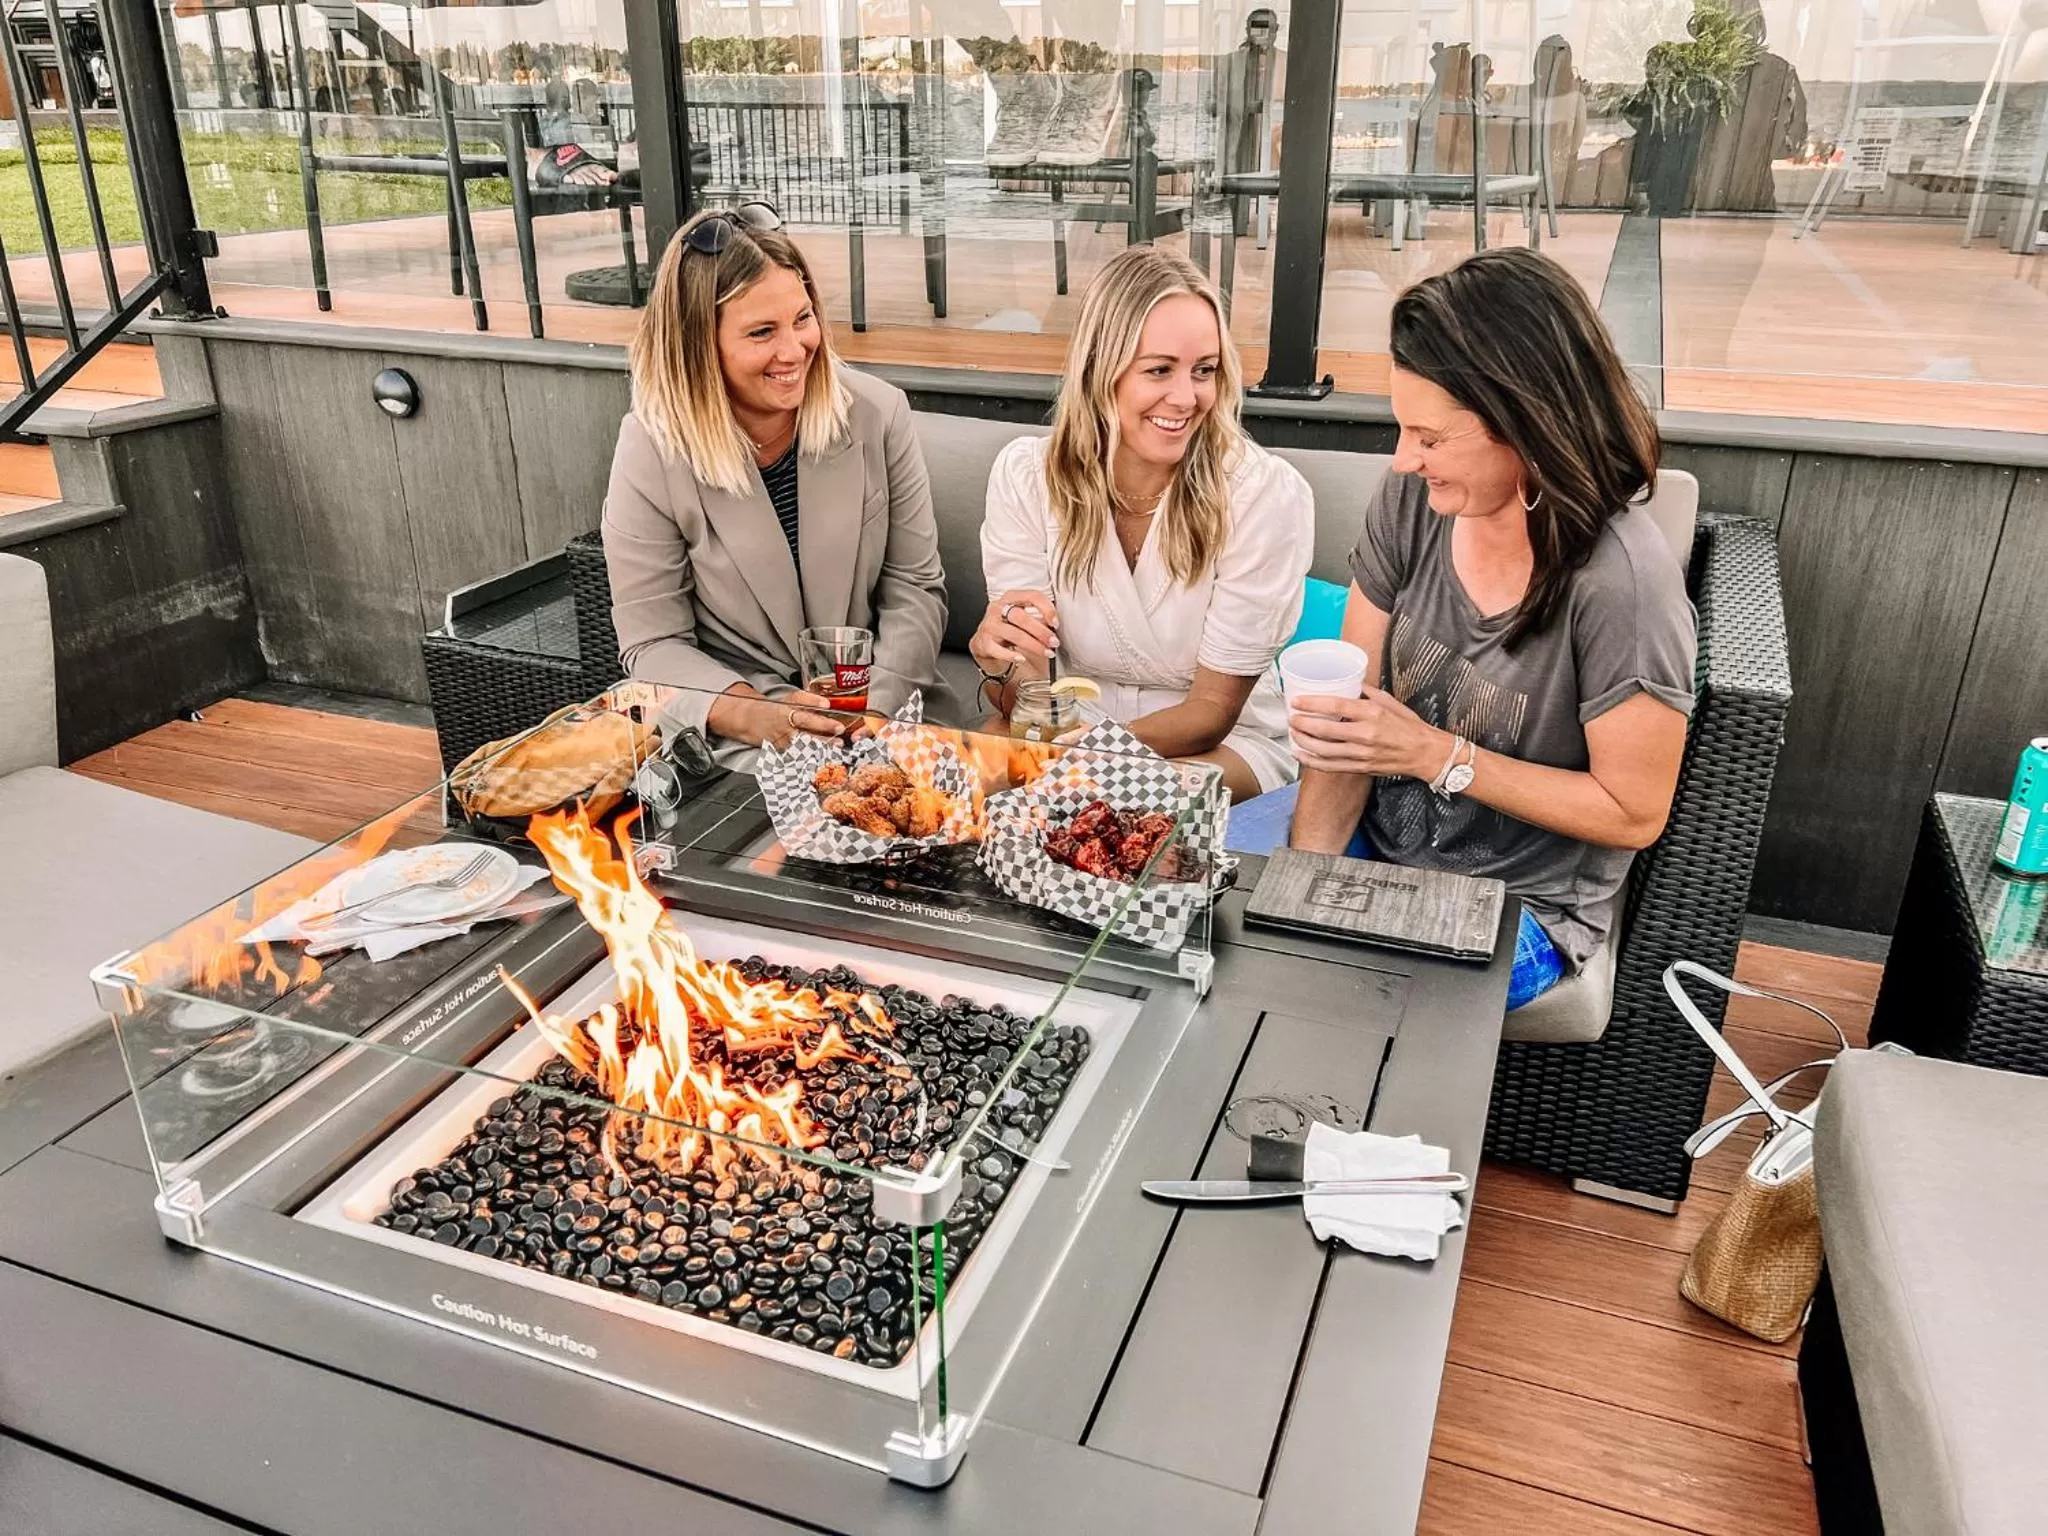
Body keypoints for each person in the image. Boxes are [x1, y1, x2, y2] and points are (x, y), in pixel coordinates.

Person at [1286, 247, 1696, 1012]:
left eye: (1431, 438)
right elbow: (1352, 713)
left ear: (1525, 424)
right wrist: (1307, 882)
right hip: (1380, 844)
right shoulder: (1411, 505)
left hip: (1520, 907)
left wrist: (1440, 756)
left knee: (1342, 1006)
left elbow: (1635, 810)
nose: (1405, 460)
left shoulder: (1622, 586)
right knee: (1214, 919)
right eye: (1403, 430)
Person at [971, 245, 1314, 803]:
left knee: (1144, 797)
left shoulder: (1263, 495)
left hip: (1221, 746)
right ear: (1100, 369)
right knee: (977, 773)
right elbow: (1025, 700)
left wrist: (1092, 759)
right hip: (1070, 733)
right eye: (1159, 370)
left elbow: (1212, 712)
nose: (1186, 398)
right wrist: (1001, 664)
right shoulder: (1025, 477)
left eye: (1204, 371)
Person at [602, 203, 950, 752]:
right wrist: (756, 715)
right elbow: (653, 644)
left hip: (883, 710)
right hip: (740, 732)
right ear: (698, 346)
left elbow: (916, 589)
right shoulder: (651, 449)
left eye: (803, 319)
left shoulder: (878, 413)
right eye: (762, 332)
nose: (795, 351)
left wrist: (875, 710)